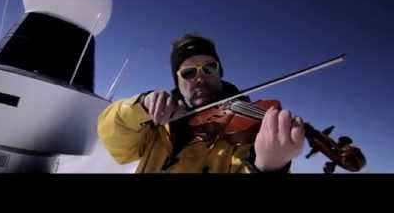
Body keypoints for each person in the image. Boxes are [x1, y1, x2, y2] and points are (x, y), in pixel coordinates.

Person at [97, 34, 305, 173]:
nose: (200, 78)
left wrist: (268, 168)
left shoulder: (245, 135)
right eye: (188, 72)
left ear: (219, 72)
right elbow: (115, 142)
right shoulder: (157, 124)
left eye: (209, 68)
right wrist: (139, 106)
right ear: (177, 81)